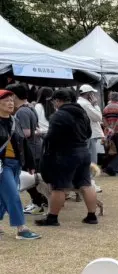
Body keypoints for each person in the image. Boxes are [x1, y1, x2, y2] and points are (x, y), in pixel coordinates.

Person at [35, 89, 99, 227]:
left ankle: (52, 218)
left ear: (58, 101)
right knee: (86, 184)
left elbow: (51, 137)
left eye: (54, 101)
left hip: (65, 154)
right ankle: (92, 216)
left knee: (60, 186)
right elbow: (88, 133)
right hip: (83, 151)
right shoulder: (83, 113)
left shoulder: (59, 115)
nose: (53, 104)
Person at [0, 90, 40, 240]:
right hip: (2, 164)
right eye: (6, 100)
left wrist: (30, 163)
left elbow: (23, 142)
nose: (11, 103)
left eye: (12, 100)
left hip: (15, 163)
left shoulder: (14, 120)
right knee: (12, 194)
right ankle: (21, 229)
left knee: (4, 196)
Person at [8, 84, 48, 214]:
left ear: (14, 96)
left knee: (29, 179)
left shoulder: (22, 111)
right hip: (35, 148)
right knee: (34, 178)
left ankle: (37, 203)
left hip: (29, 150)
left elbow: (25, 133)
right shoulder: (30, 107)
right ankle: (40, 201)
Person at [77, 85, 103, 193]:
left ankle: (87, 182)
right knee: (91, 160)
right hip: (90, 134)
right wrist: (96, 105)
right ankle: (90, 183)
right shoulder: (86, 104)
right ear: (88, 94)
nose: (94, 95)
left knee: (86, 160)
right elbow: (98, 117)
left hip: (84, 134)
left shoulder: (79, 102)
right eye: (92, 93)